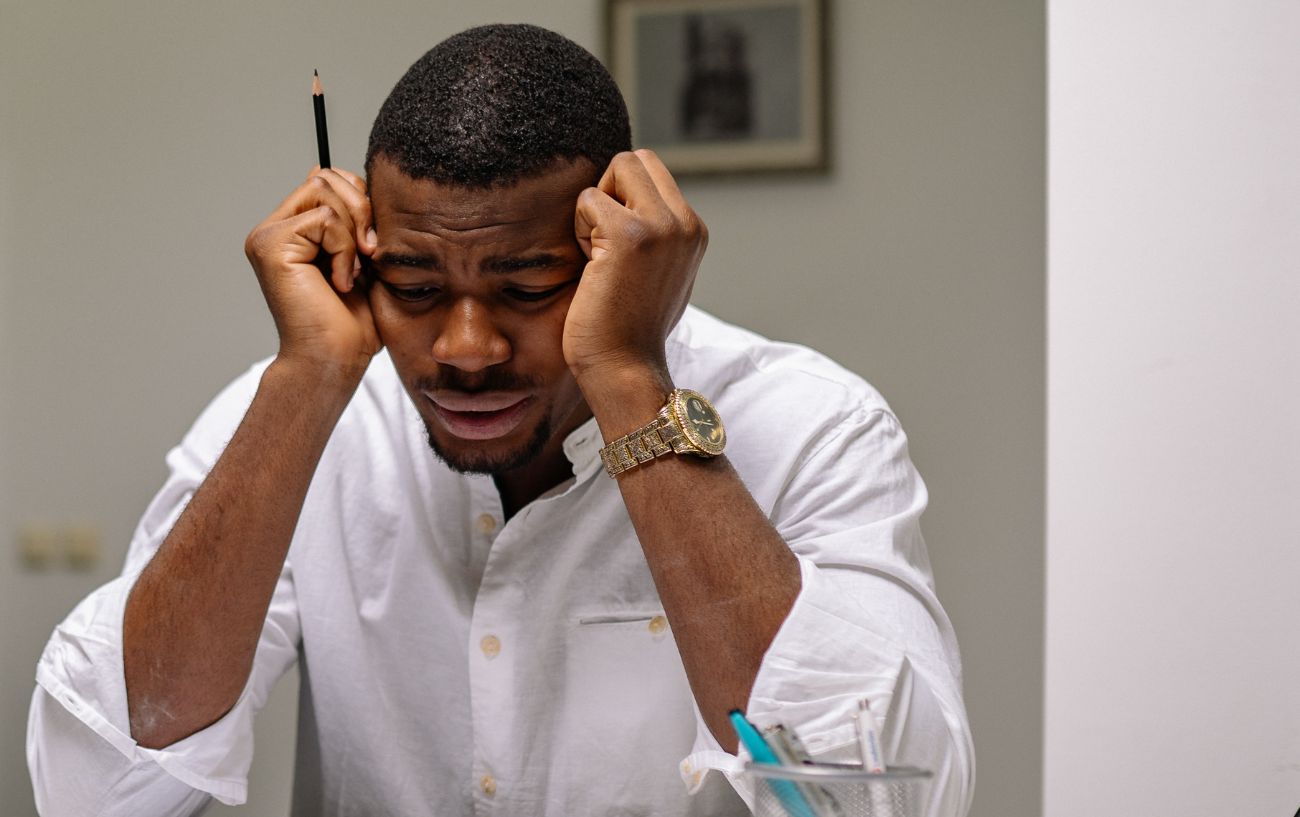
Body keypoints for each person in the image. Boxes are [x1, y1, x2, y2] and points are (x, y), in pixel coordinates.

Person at [27, 24, 974, 817]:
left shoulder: (812, 424)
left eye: (527, 286)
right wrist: (307, 375)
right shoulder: (302, 413)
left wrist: (627, 377)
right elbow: (97, 784)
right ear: (363, 257)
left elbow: (874, 797)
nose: (467, 348)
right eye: (415, 285)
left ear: (615, 252)